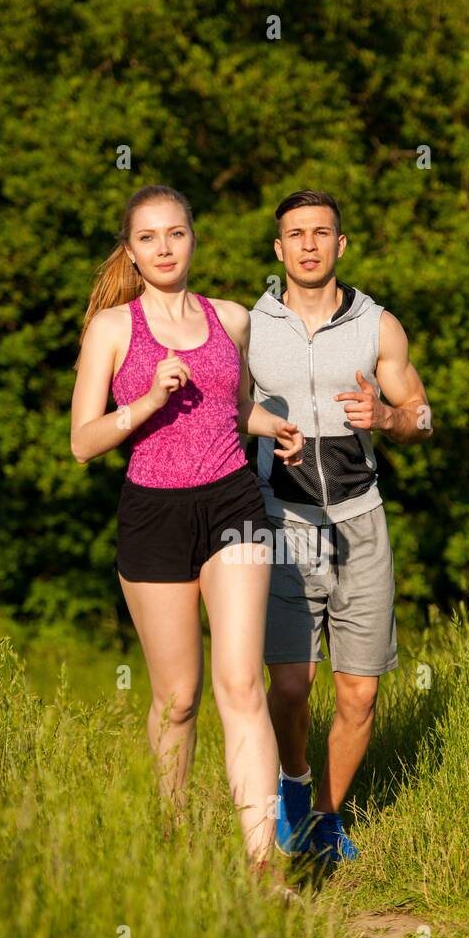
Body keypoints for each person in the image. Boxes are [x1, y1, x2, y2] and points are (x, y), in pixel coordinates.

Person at [70, 184, 304, 900]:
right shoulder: (113, 328)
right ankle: (168, 840)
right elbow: (83, 442)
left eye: (176, 234)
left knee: (241, 685)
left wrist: (276, 427)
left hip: (232, 504)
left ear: (194, 239)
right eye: (149, 238)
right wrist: (144, 402)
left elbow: (234, 411)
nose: (165, 248)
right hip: (154, 513)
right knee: (178, 697)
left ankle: (264, 865)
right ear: (131, 251)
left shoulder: (230, 319)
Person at [248, 190, 433, 864]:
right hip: (284, 522)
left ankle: (326, 820)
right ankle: (292, 786)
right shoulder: (251, 326)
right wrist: (263, 426)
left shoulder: (377, 324)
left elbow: (421, 414)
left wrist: (386, 418)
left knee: (359, 692)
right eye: (295, 234)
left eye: (321, 233)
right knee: (292, 684)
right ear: (278, 248)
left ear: (341, 244)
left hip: (362, 521)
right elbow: (222, 409)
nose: (307, 244)